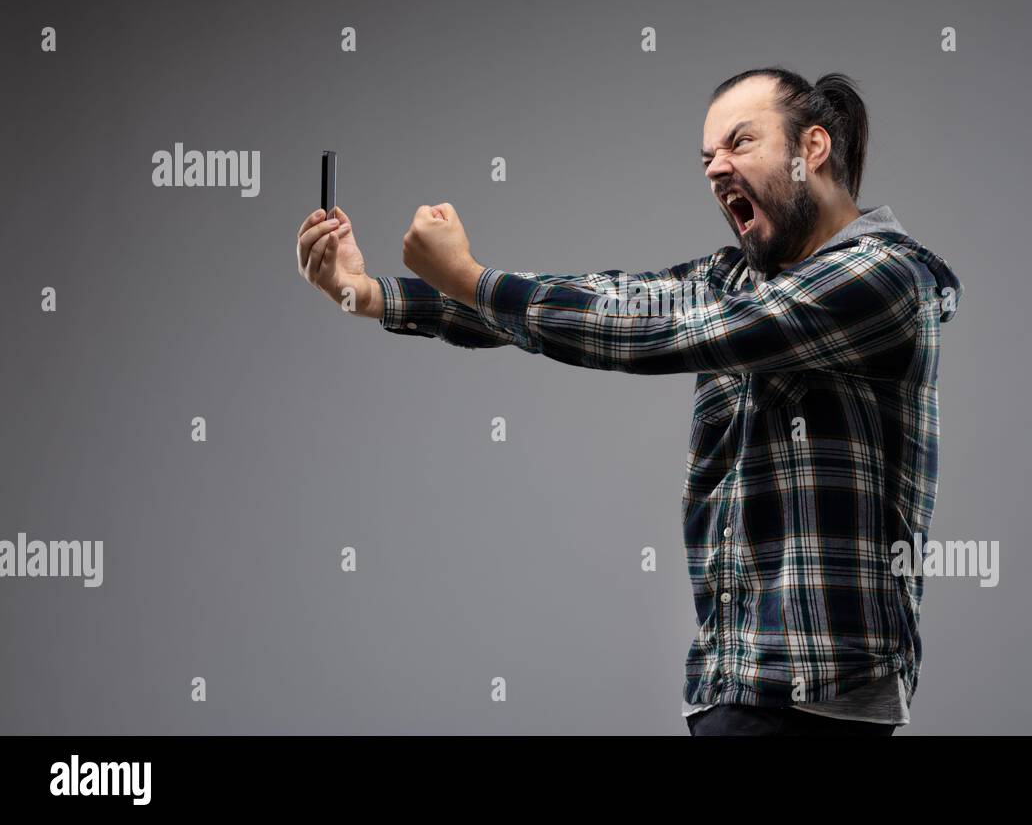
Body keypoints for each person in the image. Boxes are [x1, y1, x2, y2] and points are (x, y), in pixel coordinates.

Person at [295, 67, 963, 736]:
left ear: (811, 149)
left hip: (818, 700)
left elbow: (656, 333)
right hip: (730, 690)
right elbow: (605, 301)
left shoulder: (884, 276)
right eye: (707, 159)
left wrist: (472, 277)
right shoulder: (732, 280)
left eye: (740, 143)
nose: (716, 169)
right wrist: (370, 292)